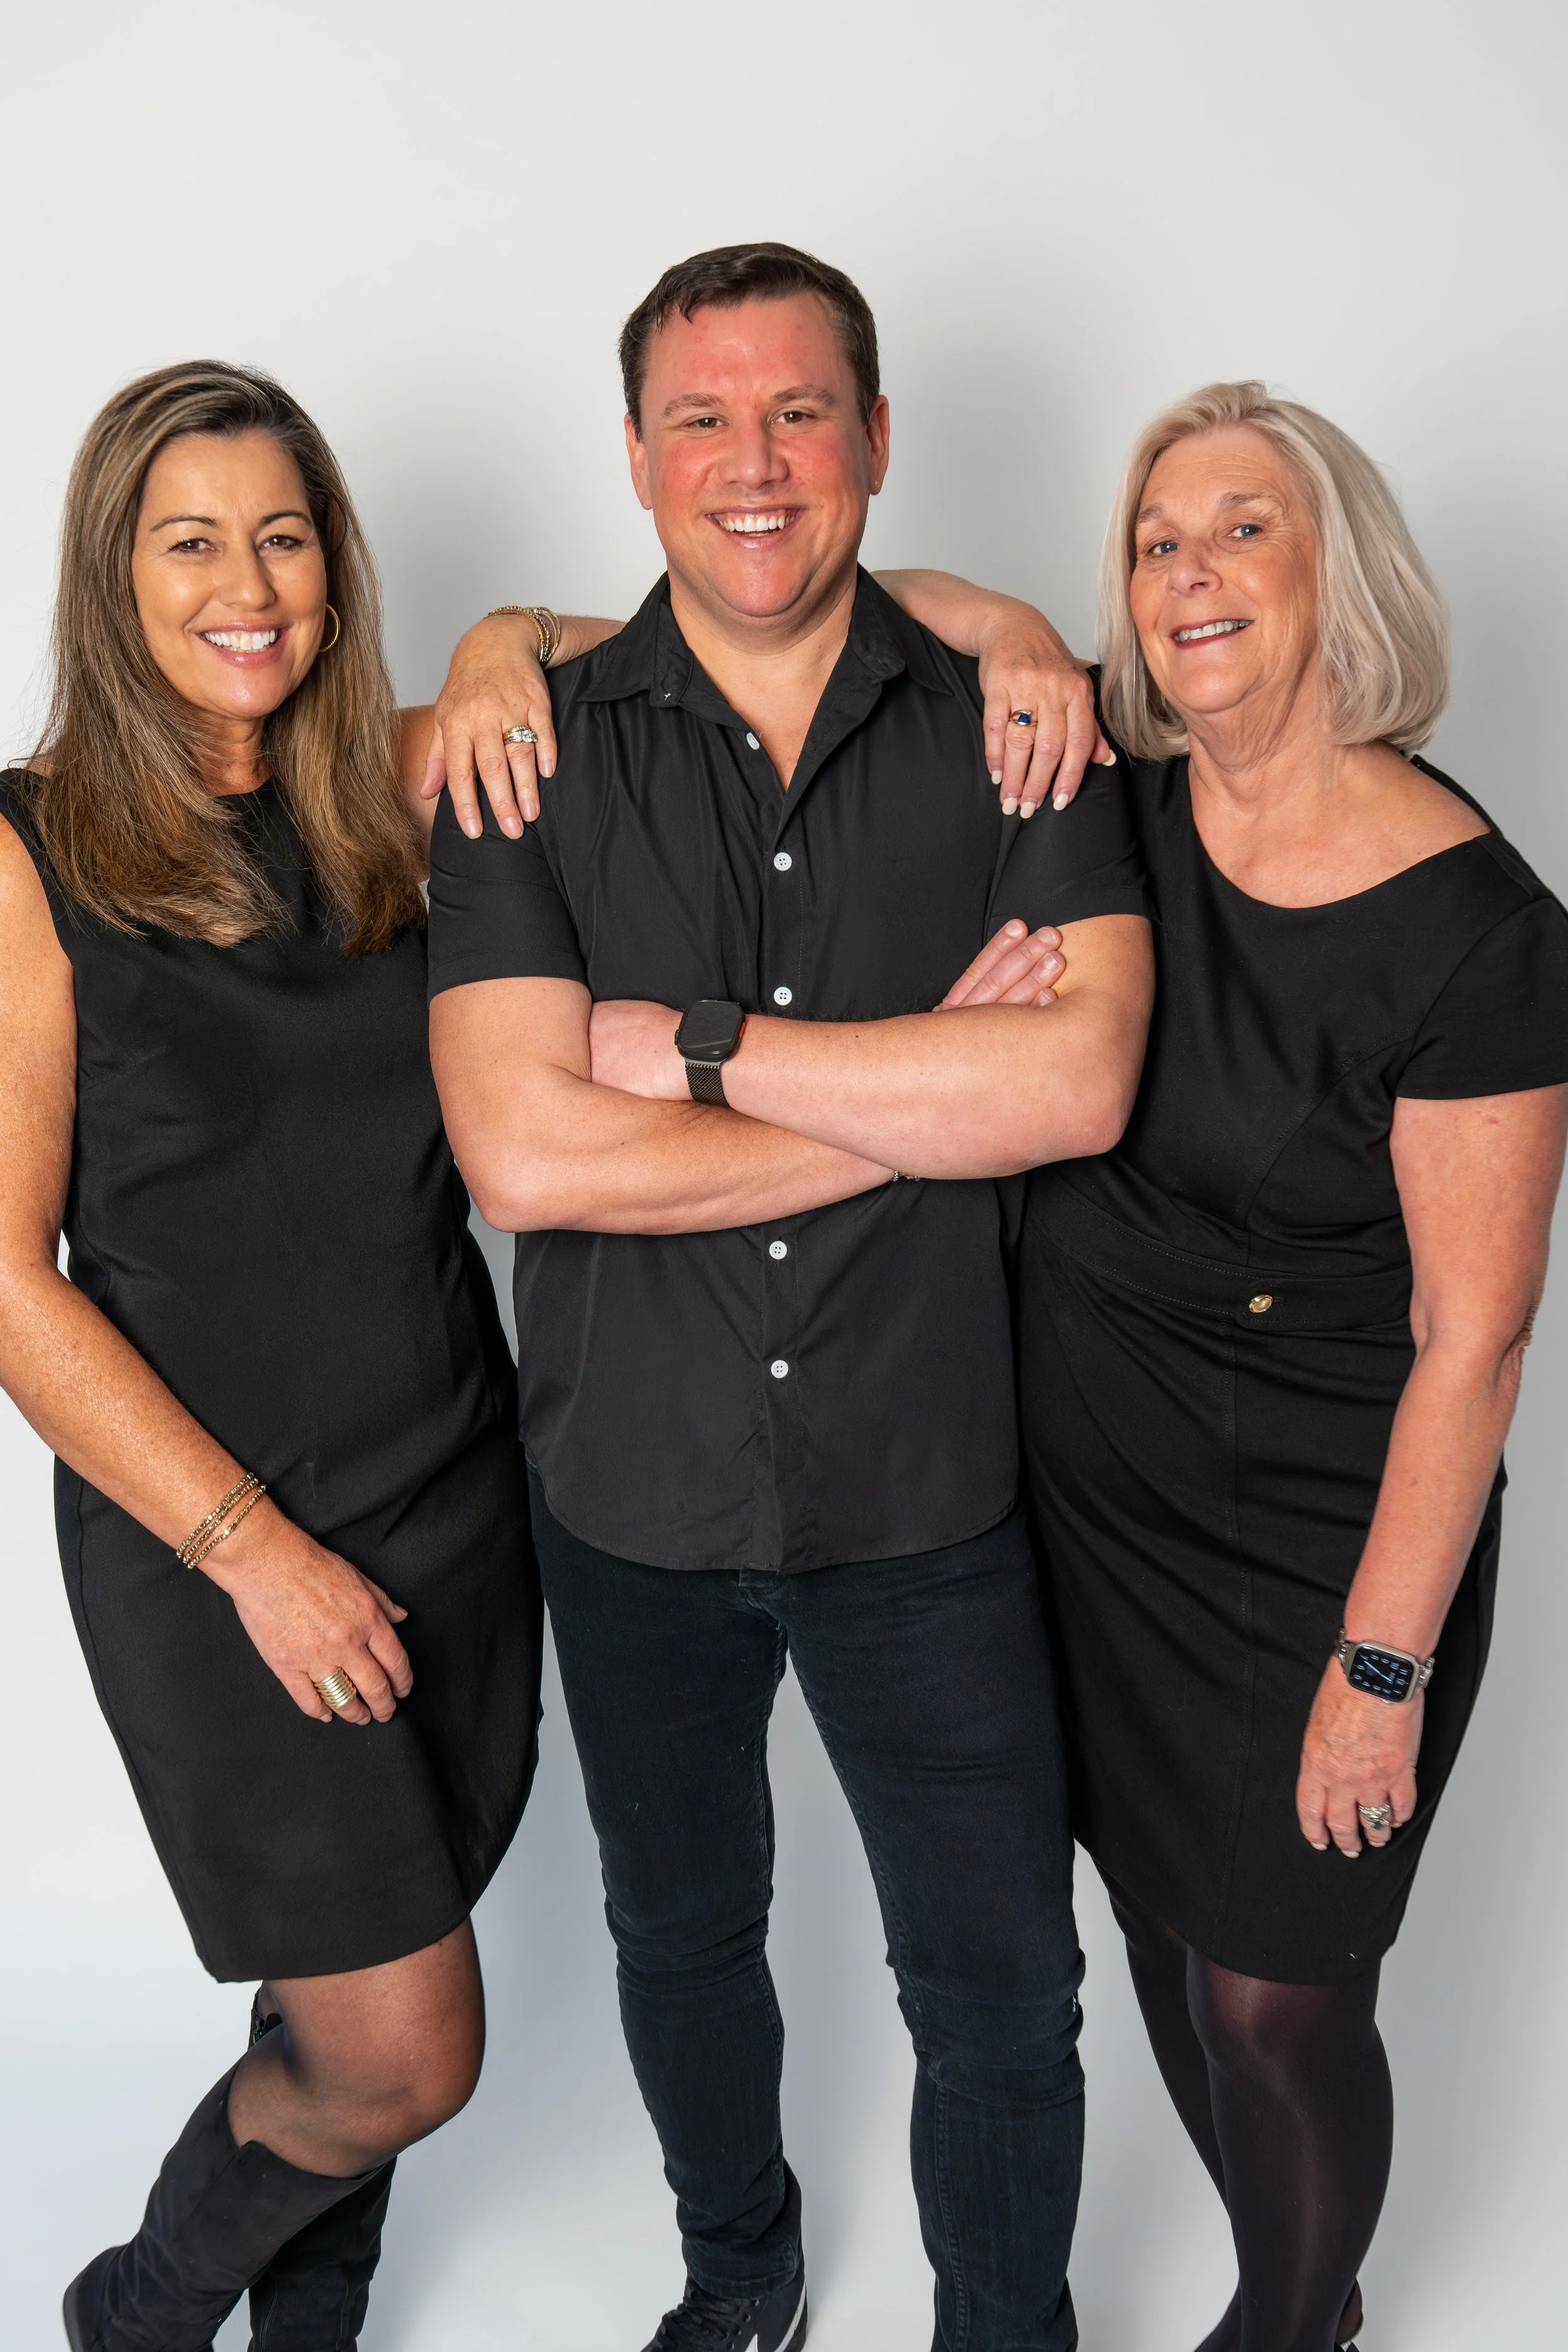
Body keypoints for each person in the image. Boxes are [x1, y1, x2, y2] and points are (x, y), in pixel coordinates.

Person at [423, 241, 1153, 2352]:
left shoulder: (1021, 726)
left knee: (997, 1980)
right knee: (679, 1937)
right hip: (628, 1487)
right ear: (636, 457)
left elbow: (1074, 1086)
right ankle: (739, 2280)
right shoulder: (522, 748)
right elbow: (526, 1156)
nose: (753, 463)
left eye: (799, 411)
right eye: (702, 419)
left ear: (877, 438)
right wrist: (928, 1096)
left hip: (931, 1479)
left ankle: (1002, 2324)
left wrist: (703, 1048)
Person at [1008, 381, 1568, 2352]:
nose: (1188, 572)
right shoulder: (1114, 802)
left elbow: (1472, 1335)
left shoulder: (1476, 931)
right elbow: (852, 622)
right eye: (1154, 539)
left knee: (1276, 1986)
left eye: (1241, 526)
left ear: (1341, 568)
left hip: (1324, 1537)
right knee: (1163, 1918)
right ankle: (1296, 2299)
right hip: (1097, 1508)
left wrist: (1378, 1669)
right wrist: (511, 646)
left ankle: (1287, 2319)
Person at [0, 361, 544, 2352]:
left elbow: (664, 644)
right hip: (212, 1539)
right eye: (191, 542)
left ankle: (307, 2332)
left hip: (450, 1491)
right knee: (403, 2051)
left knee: (338, 1997)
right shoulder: (27, 851)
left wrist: (500, 641)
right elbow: (6, 1282)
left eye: (285, 536)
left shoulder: (389, 787)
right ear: (112, 576)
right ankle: (137, 2310)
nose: (248, 585)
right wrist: (253, 1552)